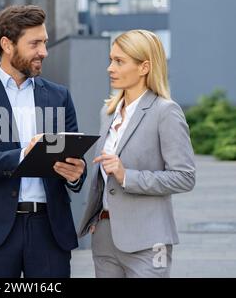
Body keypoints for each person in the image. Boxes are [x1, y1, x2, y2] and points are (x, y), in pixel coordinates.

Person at [0, 5, 87, 278]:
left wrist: (76, 174)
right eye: (35, 43)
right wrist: (23, 155)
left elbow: (75, 160)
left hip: (50, 230)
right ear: (7, 44)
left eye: (45, 43)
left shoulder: (60, 96)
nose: (44, 52)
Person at [78, 29, 196, 278]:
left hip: (149, 241)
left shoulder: (166, 112)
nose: (110, 67)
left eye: (119, 61)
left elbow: (185, 177)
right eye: (111, 60)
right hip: (105, 237)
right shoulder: (108, 112)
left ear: (144, 67)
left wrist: (127, 176)